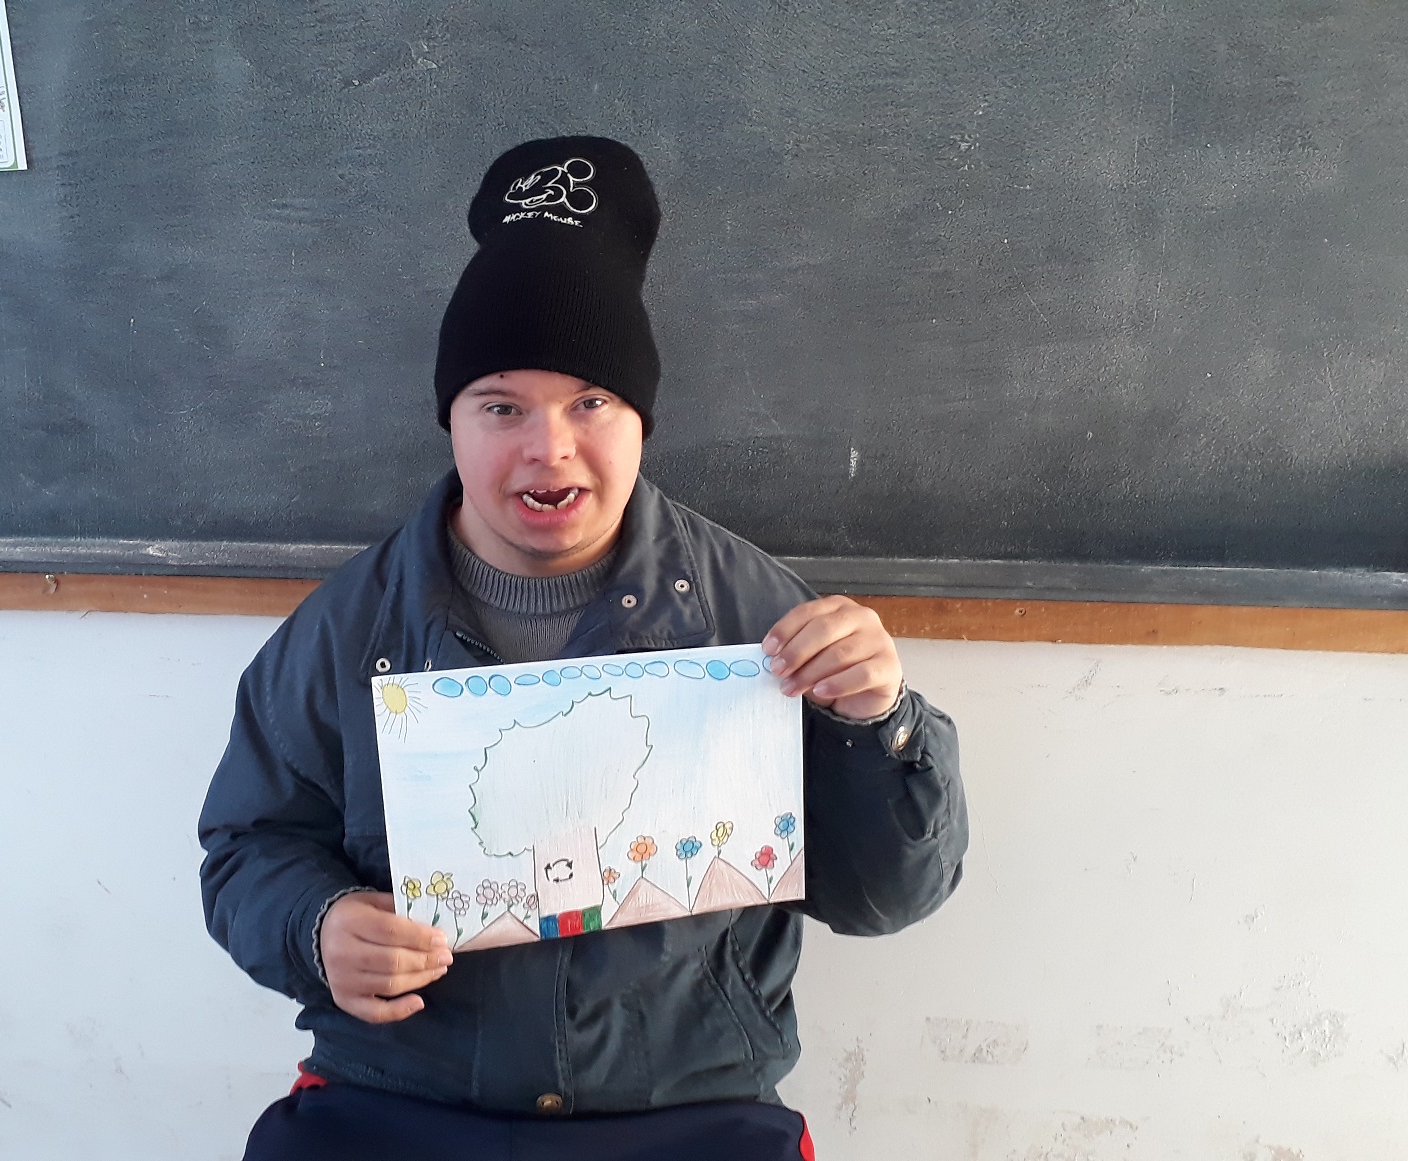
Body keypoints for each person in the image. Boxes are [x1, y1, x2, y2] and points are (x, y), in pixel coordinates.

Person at [198, 136, 969, 1161]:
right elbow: (246, 850)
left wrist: (880, 726)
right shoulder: (345, 629)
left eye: (591, 402)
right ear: (452, 422)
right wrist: (317, 924)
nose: (548, 447)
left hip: (687, 1113)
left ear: (640, 417)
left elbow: (883, 898)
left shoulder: (757, 615)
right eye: (501, 406)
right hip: (398, 1103)